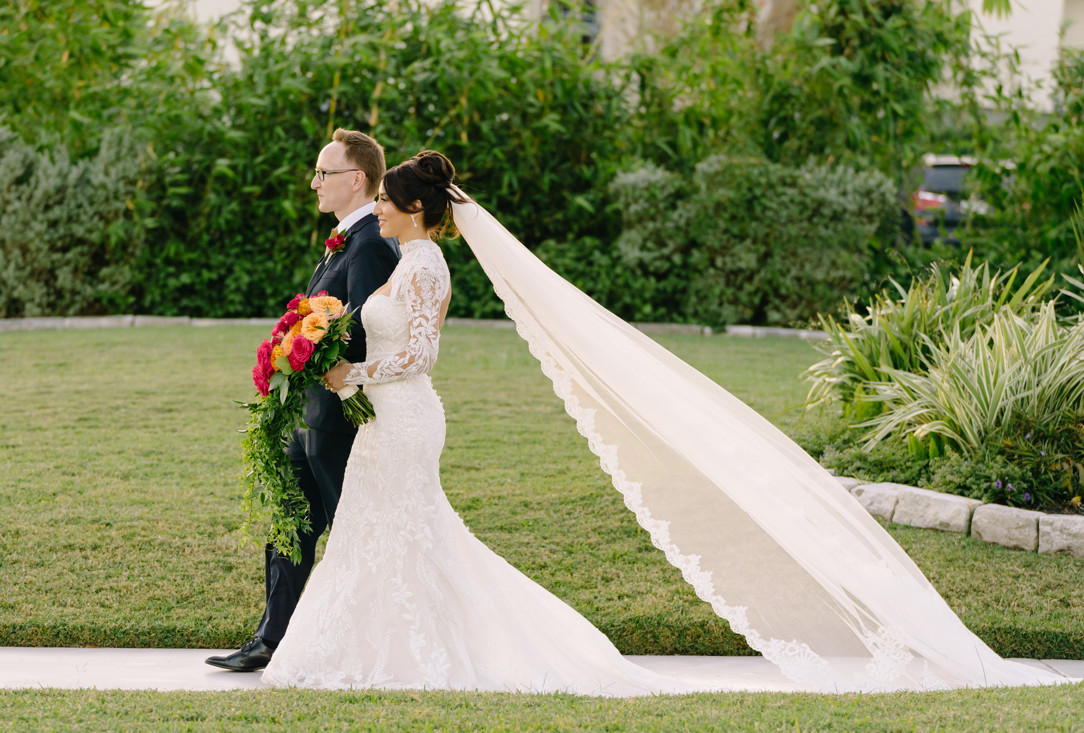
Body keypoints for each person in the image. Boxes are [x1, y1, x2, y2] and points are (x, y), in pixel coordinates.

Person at [261, 151, 1076, 694]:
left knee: (403, 530)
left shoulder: (428, 264)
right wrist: (333, 352)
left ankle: (413, 647)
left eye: (387, 201)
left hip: (405, 415)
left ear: (410, 207)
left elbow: (423, 353)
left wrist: (351, 371)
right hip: (388, 419)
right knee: (392, 532)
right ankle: (380, 644)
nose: (380, 208)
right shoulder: (405, 259)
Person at [205, 130, 399, 672]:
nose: (314, 183)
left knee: (351, 530)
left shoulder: (371, 243)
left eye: (323, 173)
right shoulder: (346, 238)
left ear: (356, 179)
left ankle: (371, 643)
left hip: (340, 418)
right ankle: (271, 640)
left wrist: (306, 352)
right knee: (288, 526)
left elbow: (363, 331)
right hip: (311, 414)